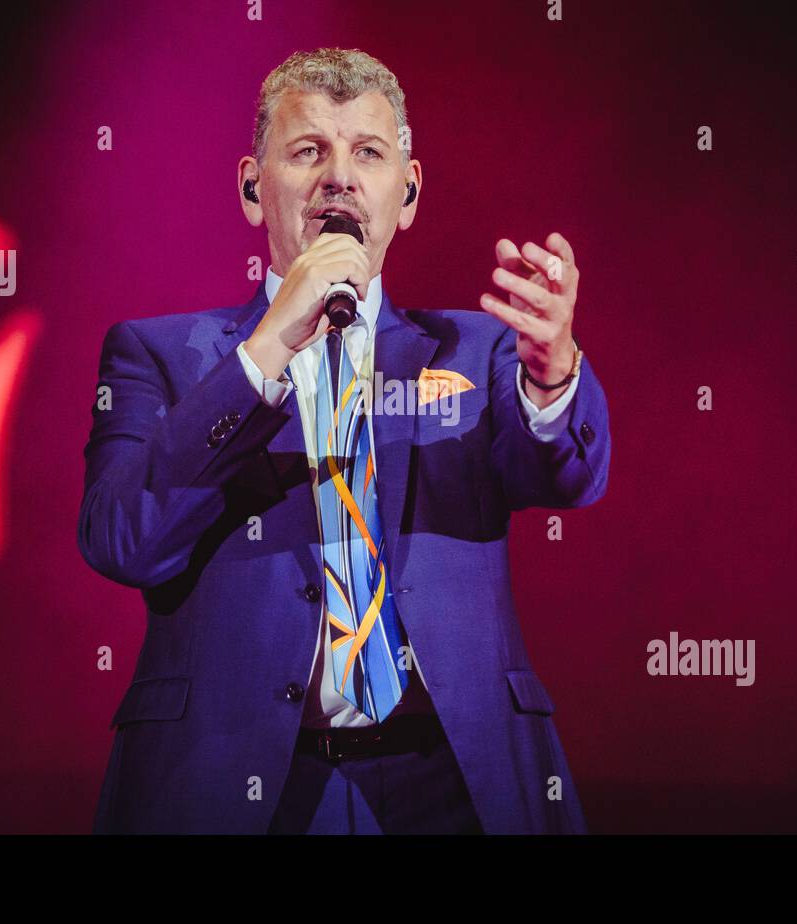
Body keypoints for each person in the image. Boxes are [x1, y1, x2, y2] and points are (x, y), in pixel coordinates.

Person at [78, 47, 610, 833]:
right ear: (253, 189)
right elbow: (123, 540)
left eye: (368, 151)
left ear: (409, 192)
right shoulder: (159, 355)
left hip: (452, 780)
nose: (339, 177)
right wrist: (263, 354)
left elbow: (564, 475)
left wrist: (553, 372)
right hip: (236, 783)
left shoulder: (477, 350)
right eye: (307, 151)